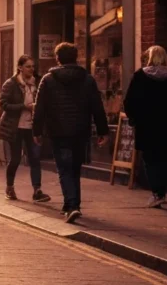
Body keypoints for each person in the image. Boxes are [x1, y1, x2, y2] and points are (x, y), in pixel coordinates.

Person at [33, 42, 110, 223]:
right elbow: (97, 107)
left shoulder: (48, 79)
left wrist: (37, 131)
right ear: (76, 58)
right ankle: (71, 204)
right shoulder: (88, 79)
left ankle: (72, 206)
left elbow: (39, 108)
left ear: (57, 58)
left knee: (64, 169)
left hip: (58, 131)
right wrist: (103, 131)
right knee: (75, 168)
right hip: (80, 131)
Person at [125, 45, 167, 208]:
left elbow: (129, 101)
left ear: (150, 58)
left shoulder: (140, 76)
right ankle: (161, 192)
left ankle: (156, 193)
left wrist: (133, 118)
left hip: (146, 125)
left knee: (150, 159)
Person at [0, 55, 50, 203]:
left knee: (35, 158)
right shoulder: (10, 84)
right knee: (15, 159)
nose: (31, 69)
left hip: (31, 127)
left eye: (33, 66)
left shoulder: (37, 84)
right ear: (20, 68)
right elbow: (4, 105)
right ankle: (9, 187)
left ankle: (37, 190)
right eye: (28, 66)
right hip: (15, 127)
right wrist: (24, 107)